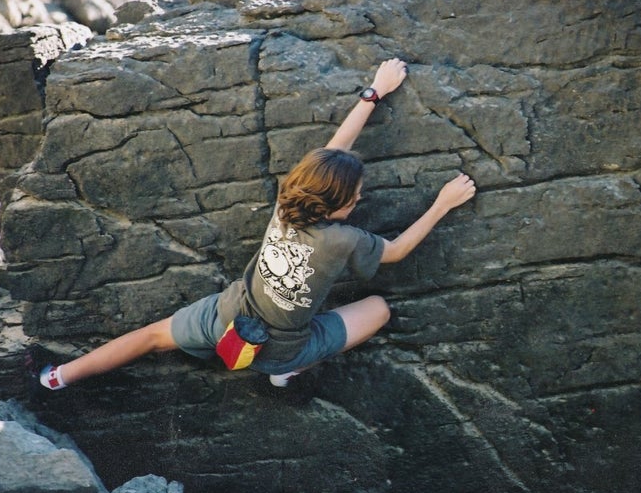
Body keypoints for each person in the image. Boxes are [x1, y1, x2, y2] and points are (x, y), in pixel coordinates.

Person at [36, 57, 476, 391]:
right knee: (378, 308)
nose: (361, 197)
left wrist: (373, 93)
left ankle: (60, 376)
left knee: (151, 336)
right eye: (355, 195)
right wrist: (441, 203)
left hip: (228, 317)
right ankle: (289, 370)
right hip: (284, 348)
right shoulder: (344, 239)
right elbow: (396, 251)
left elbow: (332, 149)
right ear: (339, 205)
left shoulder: (288, 202)